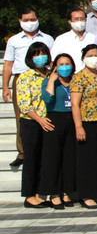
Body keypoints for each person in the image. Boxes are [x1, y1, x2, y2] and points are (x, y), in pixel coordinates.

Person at [3, 9, 54, 167]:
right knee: (22, 116)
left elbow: (52, 61)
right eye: (26, 20)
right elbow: (8, 64)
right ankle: (23, 152)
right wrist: (5, 86)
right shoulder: (14, 40)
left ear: (38, 19)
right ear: (20, 21)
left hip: (44, 78)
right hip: (22, 79)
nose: (30, 23)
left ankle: (45, 148)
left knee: (46, 113)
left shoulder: (48, 39)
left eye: (32, 19)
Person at [70, 44, 97, 208]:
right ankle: (86, 195)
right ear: (83, 58)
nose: (94, 58)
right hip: (87, 121)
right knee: (88, 159)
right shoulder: (79, 77)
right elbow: (75, 104)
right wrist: (78, 126)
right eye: (90, 55)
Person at [16, 43, 52, 208]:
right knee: (31, 159)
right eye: (36, 54)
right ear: (30, 58)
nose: (40, 57)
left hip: (48, 121)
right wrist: (39, 119)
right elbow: (24, 104)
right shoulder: (25, 76)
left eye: (43, 53)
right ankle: (29, 196)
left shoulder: (50, 75)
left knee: (44, 159)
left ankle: (40, 193)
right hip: (32, 122)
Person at [39, 53, 76, 208]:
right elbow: (47, 99)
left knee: (69, 158)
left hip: (72, 120)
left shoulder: (75, 81)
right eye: (61, 64)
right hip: (55, 120)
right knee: (52, 158)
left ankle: (66, 192)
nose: (64, 67)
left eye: (67, 64)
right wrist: (52, 81)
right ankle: (54, 193)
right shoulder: (49, 81)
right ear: (55, 67)